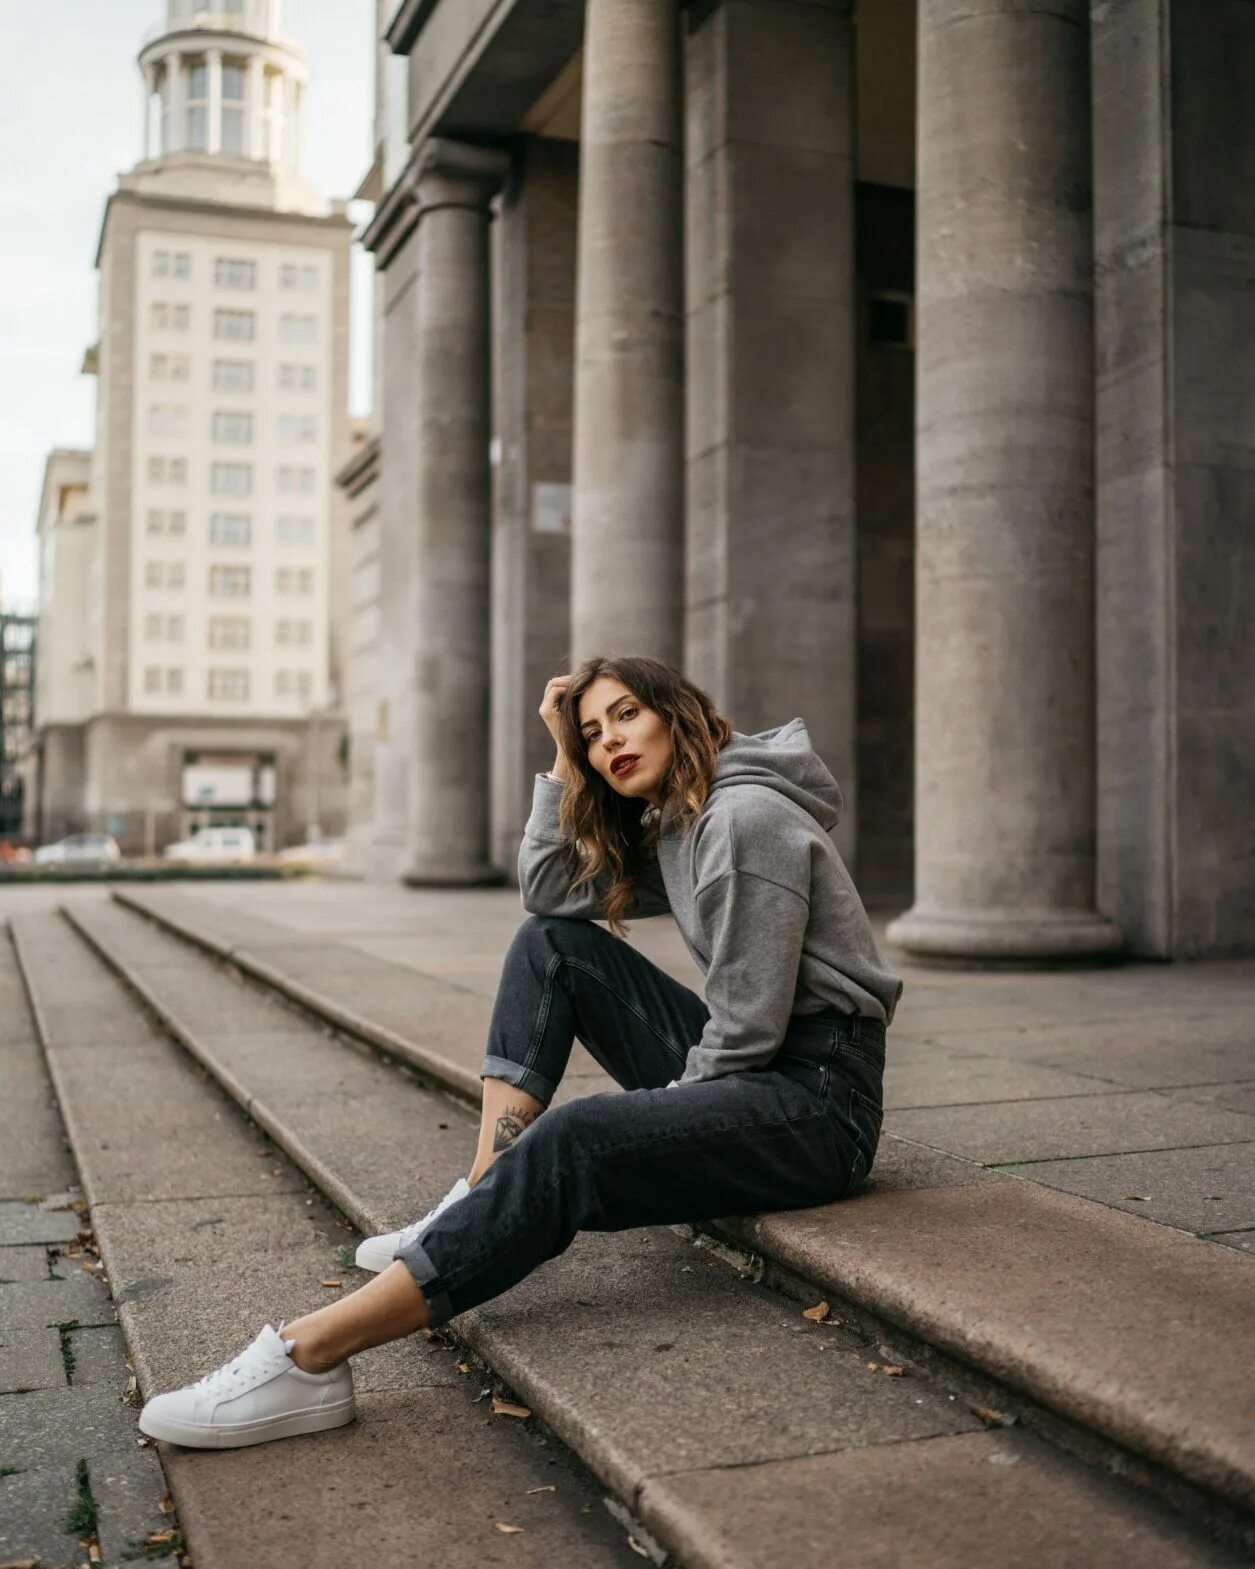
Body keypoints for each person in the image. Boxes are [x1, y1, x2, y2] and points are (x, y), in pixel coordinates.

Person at [137, 654, 903, 1449]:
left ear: (679, 712)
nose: (611, 741)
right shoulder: (684, 818)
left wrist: (649, 1124)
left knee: (578, 1138)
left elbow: (743, 1033)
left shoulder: (744, 822)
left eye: (627, 716)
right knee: (552, 946)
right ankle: (480, 1188)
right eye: (595, 732)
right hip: (771, 1064)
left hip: (818, 1105)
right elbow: (549, 893)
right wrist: (559, 756)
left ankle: (309, 1355)